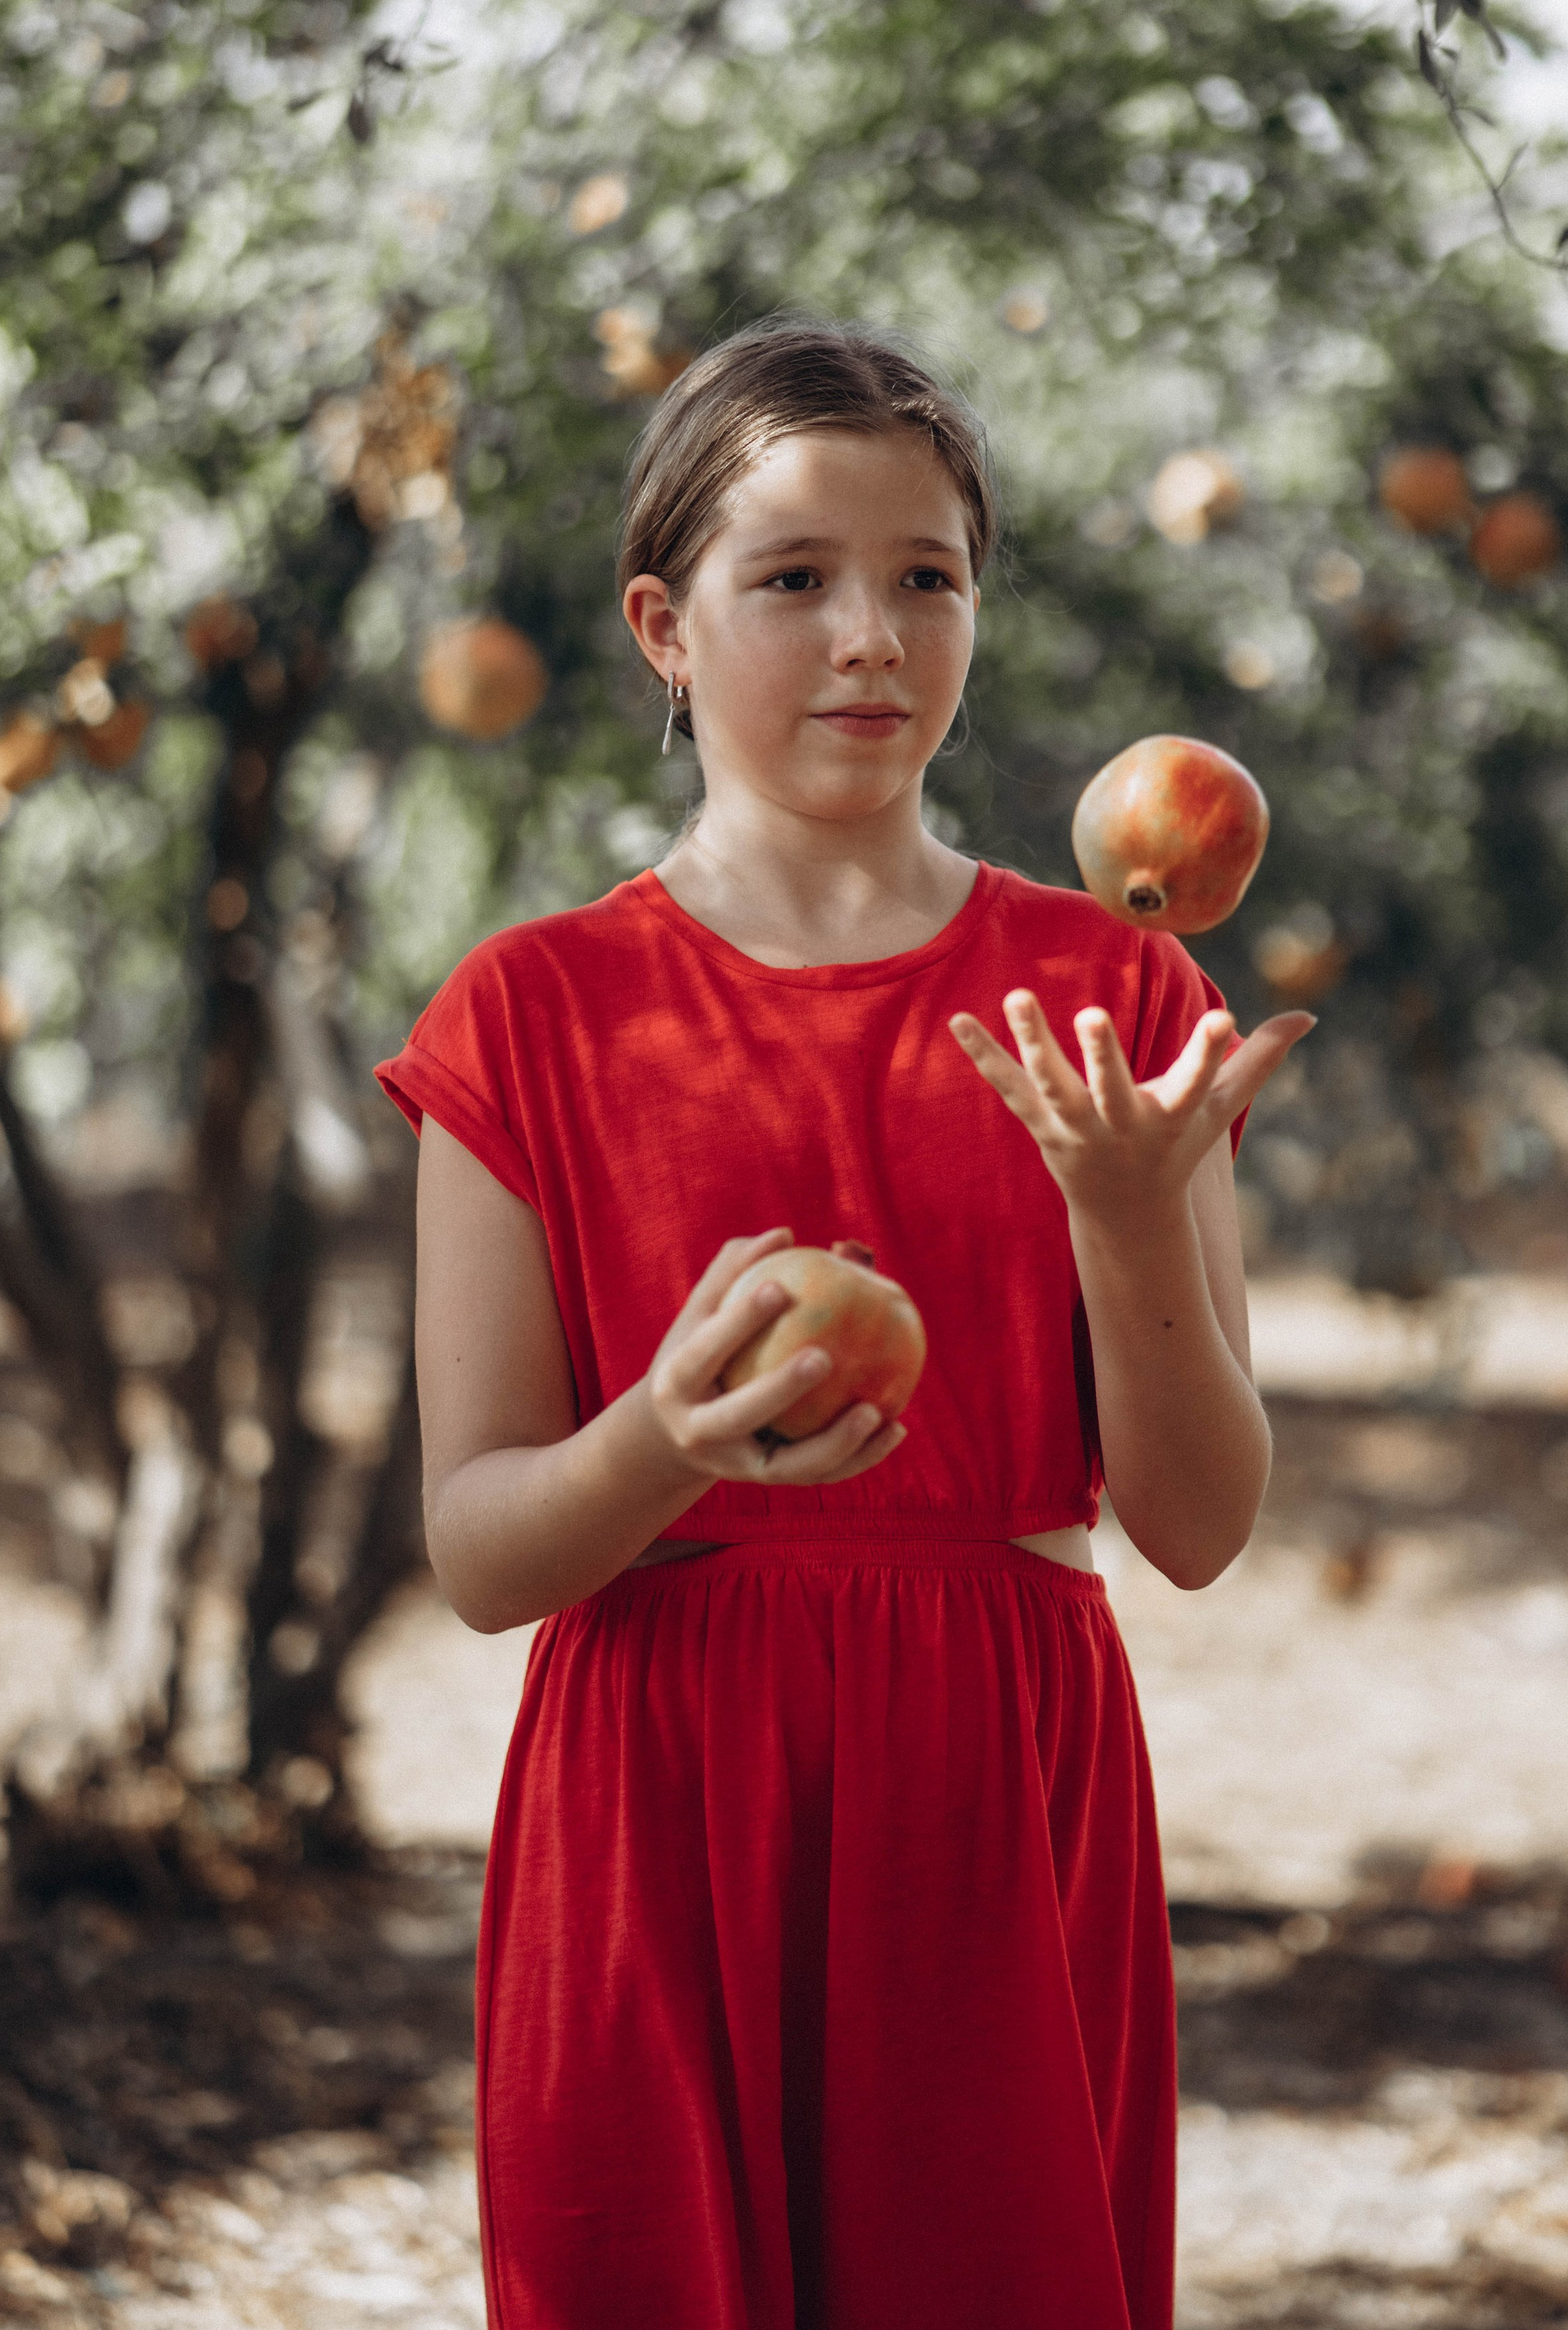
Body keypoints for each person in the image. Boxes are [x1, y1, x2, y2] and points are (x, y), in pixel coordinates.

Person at [374, 318, 1312, 2330]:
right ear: (664, 624)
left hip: (990, 1794)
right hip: (658, 1796)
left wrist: (1130, 1217)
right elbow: (475, 1553)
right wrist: (664, 1441)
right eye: (793, 579)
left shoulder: (1112, 1006)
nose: (868, 635)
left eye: (925, 578)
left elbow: (1202, 1524)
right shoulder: (530, 1014)